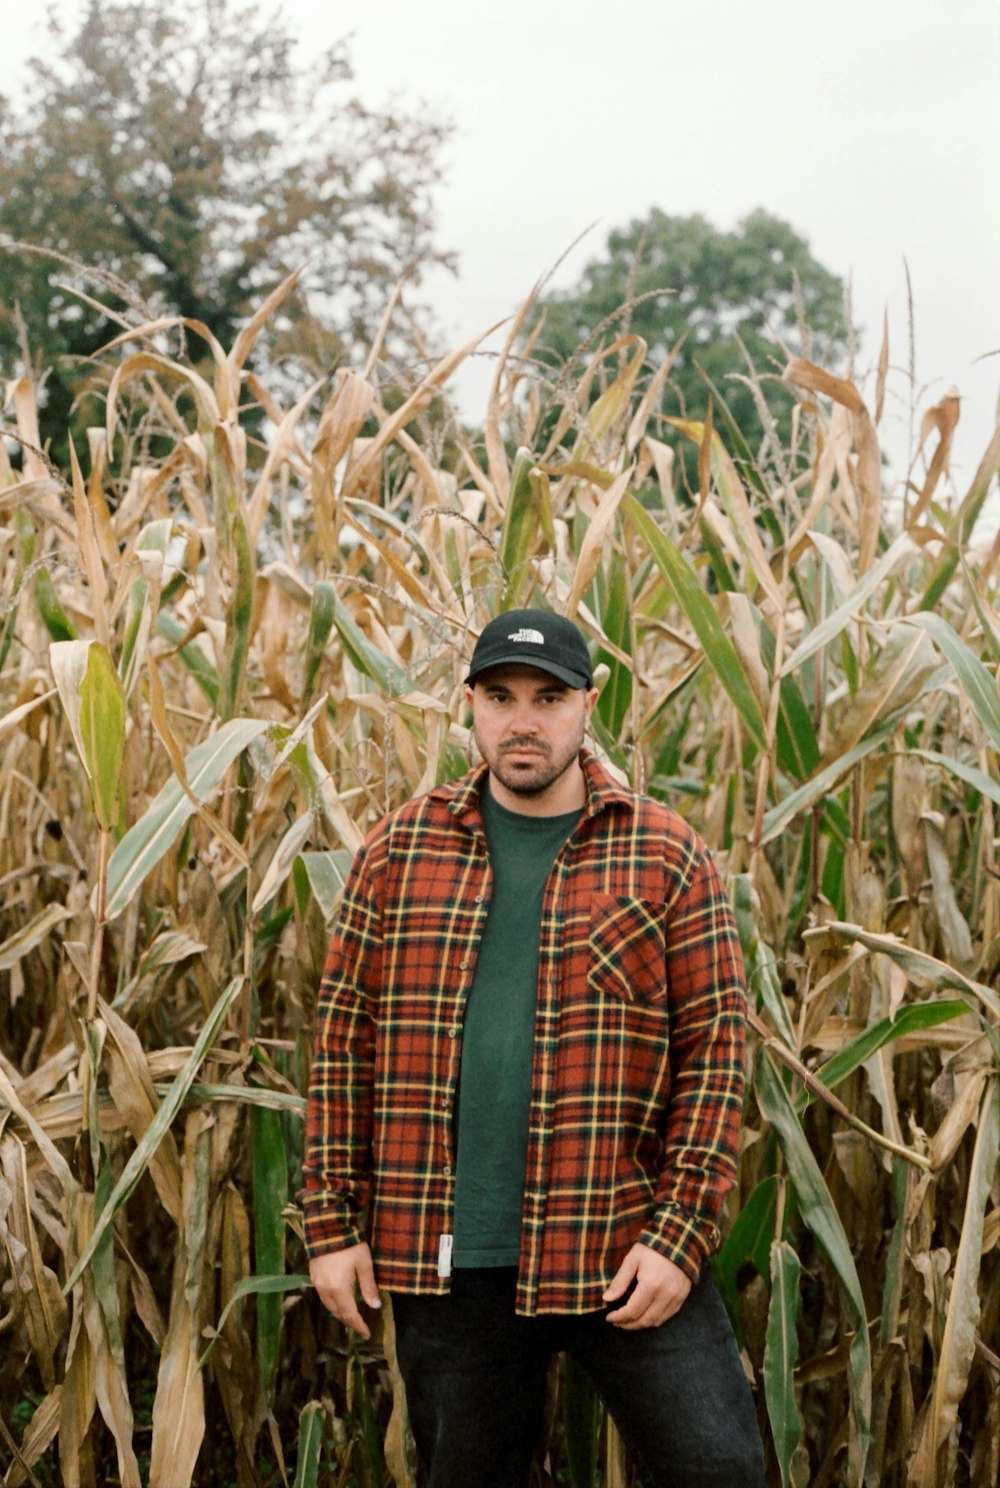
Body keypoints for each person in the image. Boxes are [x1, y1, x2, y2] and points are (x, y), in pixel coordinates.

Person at [302, 608, 766, 1488]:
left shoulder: (667, 856)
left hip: (621, 1245)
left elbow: (715, 1055)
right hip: (450, 1258)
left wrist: (677, 1237)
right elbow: (342, 1047)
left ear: (589, 704)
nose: (524, 719)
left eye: (549, 697)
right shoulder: (396, 854)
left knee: (720, 1469)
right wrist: (331, 1224)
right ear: (468, 704)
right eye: (501, 696)